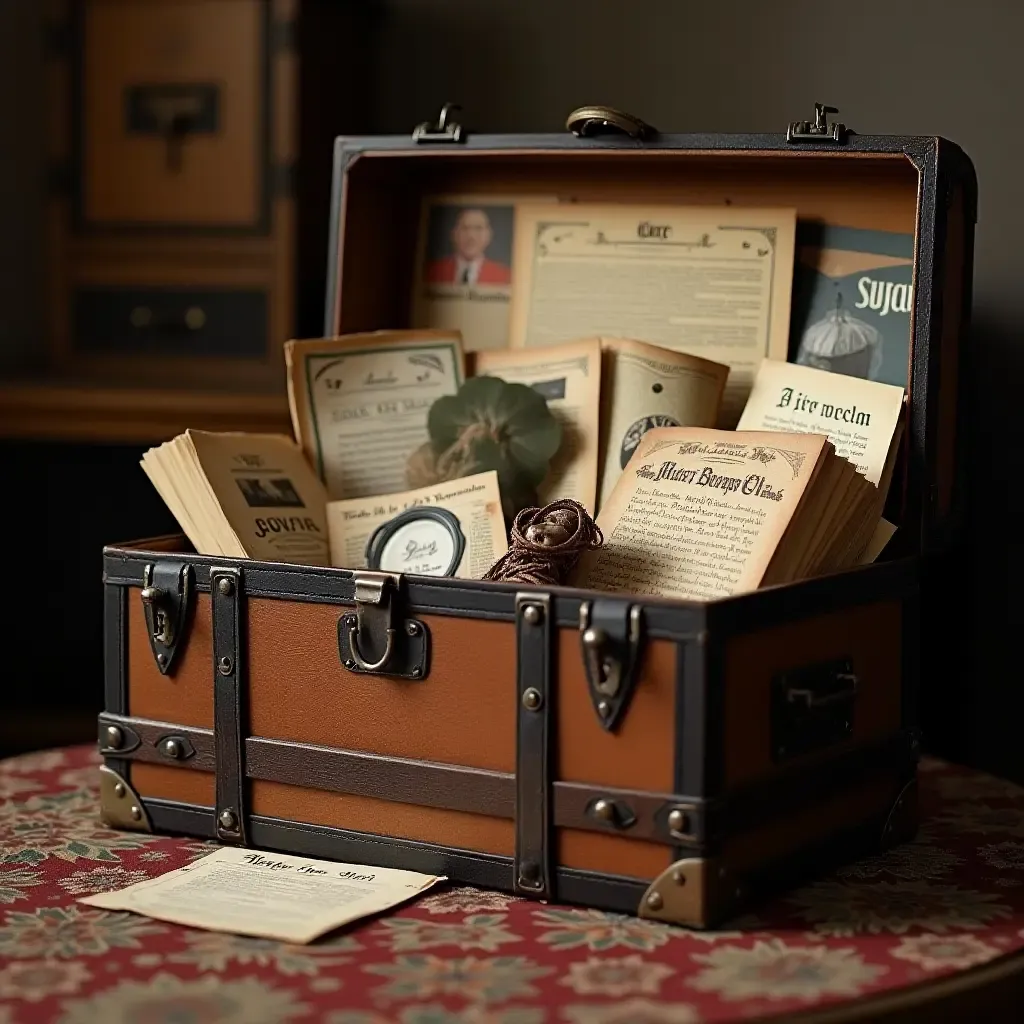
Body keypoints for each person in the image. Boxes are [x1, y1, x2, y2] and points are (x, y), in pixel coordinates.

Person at [425, 207, 511, 286]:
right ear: (454, 234)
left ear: (488, 236)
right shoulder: (431, 272)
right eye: (465, 228)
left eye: (478, 228)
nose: (471, 236)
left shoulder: (505, 276)